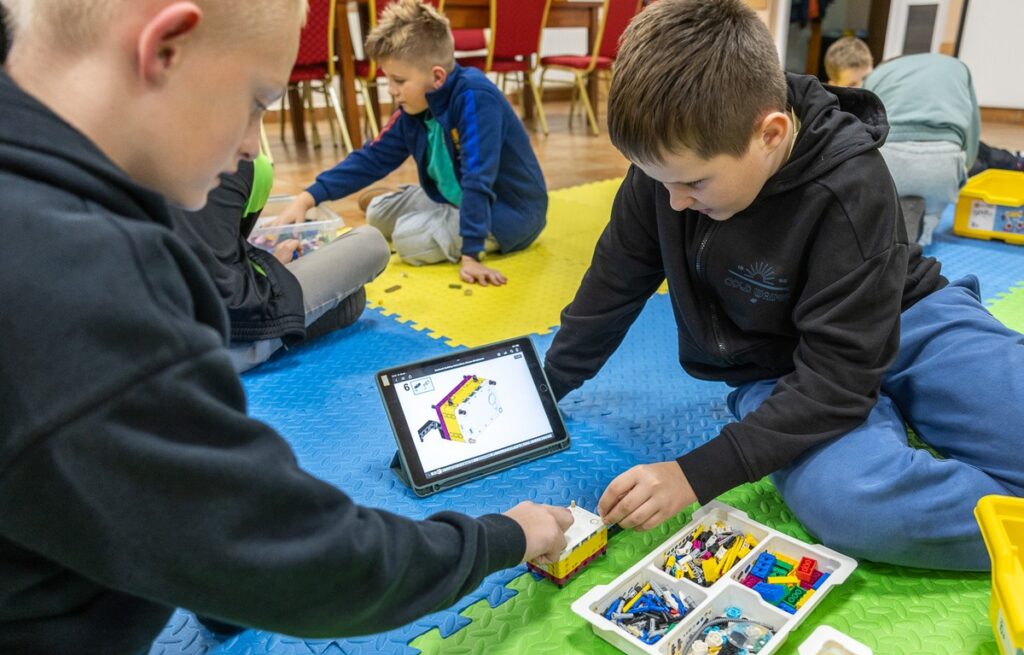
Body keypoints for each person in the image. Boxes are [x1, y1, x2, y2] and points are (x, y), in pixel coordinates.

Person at [0, 1, 573, 655]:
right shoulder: (92, 292)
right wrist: (503, 535)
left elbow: (191, 516)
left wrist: (220, 575)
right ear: (163, 49)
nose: (251, 144)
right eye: (255, 102)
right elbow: (307, 559)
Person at [543, 0, 1024, 572]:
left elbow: (842, 378)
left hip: (908, 317)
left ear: (770, 133)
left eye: (694, 182)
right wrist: (550, 383)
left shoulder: (851, 182)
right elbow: (613, 282)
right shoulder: (667, 172)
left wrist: (693, 475)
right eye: (658, 180)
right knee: (852, 505)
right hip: (778, 365)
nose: (673, 202)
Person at [274, 0, 549, 287]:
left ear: (437, 77)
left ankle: (431, 218)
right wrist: (307, 198)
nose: (391, 91)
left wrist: (470, 255)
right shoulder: (412, 109)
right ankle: (422, 210)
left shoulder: (475, 98)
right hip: (453, 195)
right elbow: (372, 157)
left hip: (507, 212)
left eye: (399, 81)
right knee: (378, 215)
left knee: (409, 241)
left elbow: (478, 177)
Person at [170, 154, 391, 372]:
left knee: (352, 296)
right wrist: (272, 267)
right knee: (370, 243)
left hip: (156, 343)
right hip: (224, 341)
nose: (252, 145)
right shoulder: (246, 162)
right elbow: (227, 285)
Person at [827, 38, 1023, 243]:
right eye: (852, 84)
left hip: (892, 160)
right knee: (974, 159)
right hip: (944, 157)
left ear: (872, 69)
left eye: (863, 79)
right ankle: (926, 230)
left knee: (982, 154)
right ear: (834, 84)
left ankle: (904, 230)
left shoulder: (877, 84)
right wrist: (963, 168)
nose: (860, 87)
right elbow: (971, 131)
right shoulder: (953, 70)